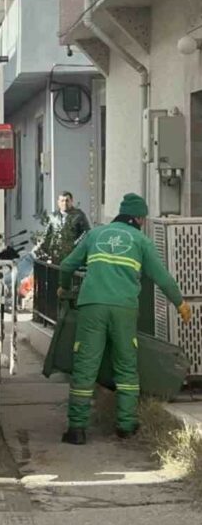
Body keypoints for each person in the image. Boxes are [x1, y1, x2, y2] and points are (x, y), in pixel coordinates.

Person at [56, 194, 191, 445]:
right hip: (124, 309)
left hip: (92, 307)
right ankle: (126, 426)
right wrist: (180, 304)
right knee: (126, 367)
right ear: (139, 218)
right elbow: (163, 279)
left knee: (85, 367)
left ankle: (77, 429)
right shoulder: (141, 241)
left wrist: (64, 290)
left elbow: (66, 266)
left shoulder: (95, 235)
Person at [35, 191, 91, 263]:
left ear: (71, 201)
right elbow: (47, 235)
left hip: (73, 253)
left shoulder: (79, 215)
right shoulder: (53, 216)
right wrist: (42, 248)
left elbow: (86, 232)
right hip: (56, 254)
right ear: (58, 202)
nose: (64, 203)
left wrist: (74, 244)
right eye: (62, 201)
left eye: (67, 201)